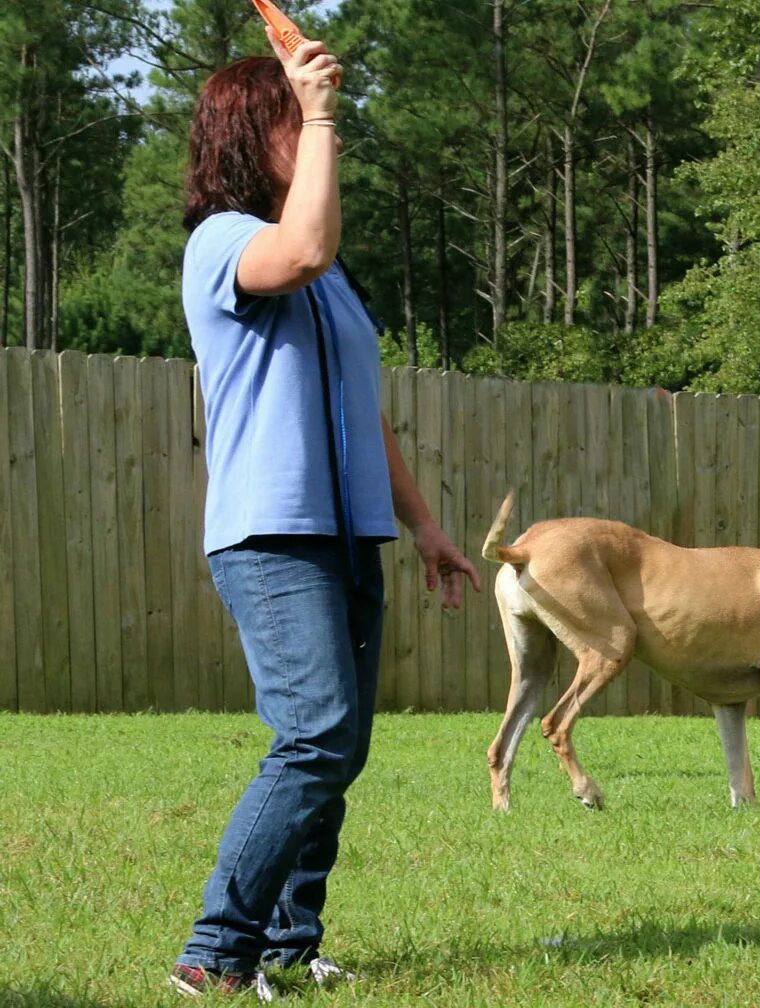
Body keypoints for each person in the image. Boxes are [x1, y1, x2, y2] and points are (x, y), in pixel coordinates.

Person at [168, 34, 482, 999]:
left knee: (338, 748)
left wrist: (423, 524)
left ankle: (287, 945)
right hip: (271, 535)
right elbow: (299, 246)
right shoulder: (222, 242)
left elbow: (361, 404)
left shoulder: (330, 273)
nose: (308, 137)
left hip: (348, 534)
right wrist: (323, 111)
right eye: (288, 124)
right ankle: (213, 951)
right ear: (244, 136)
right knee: (313, 736)